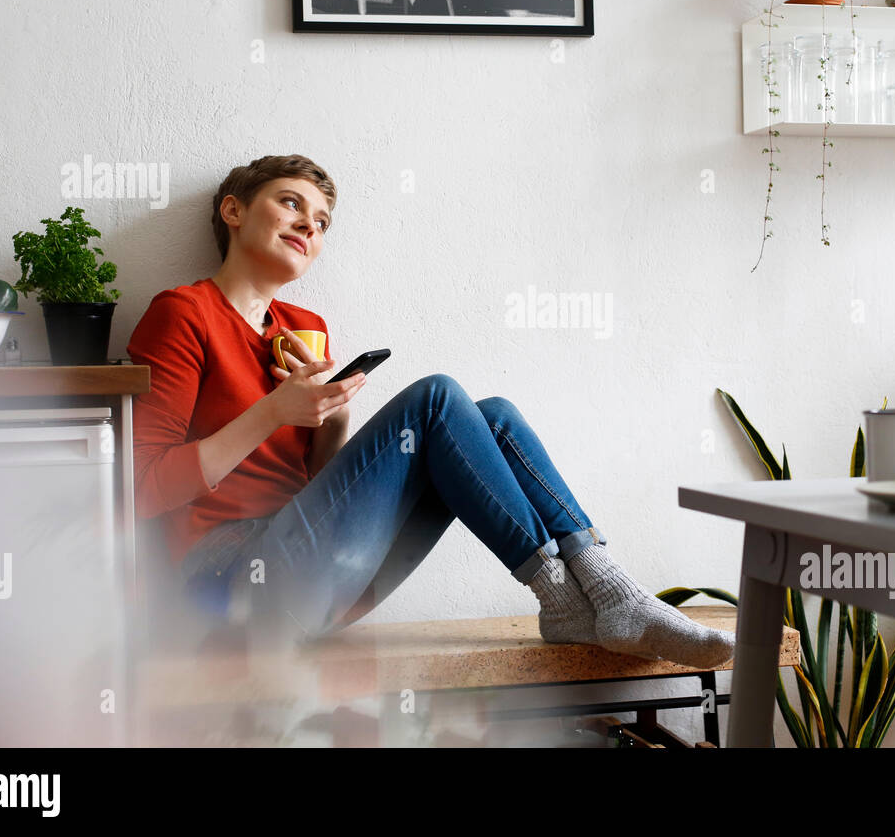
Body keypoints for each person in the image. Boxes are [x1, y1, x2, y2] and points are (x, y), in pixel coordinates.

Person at [126, 154, 734, 669]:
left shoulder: (304, 329)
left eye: (321, 222)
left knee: (490, 416)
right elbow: (143, 487)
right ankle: (576, 600)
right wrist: (273, 411)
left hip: (322, 579)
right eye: (290, 204)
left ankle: (596, 588)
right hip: (231, 584)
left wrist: (329, 416)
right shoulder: (184, 313)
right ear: (233, 211)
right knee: (438, 398)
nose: (308, 226)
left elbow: (321, 490)